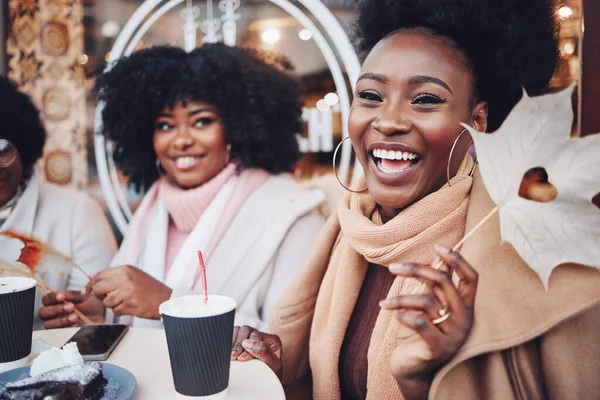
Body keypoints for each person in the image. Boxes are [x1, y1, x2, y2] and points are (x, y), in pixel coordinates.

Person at [231, 1, 600, 399]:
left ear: (477, 120)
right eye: (371, 95)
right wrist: (278, 370)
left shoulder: (538, 262)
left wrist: (422, 382)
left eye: (425, 99)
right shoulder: (351, 230)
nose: (388, 121)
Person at [42, 44, 325, 330]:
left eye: (201, 121)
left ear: (238, 127)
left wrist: (169, 302)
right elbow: (135, 319)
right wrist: (100, 315)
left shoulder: (291, 214)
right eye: (165, 125)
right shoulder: (155, 207)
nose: (180, 140)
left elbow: (288, 346)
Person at [0, 76, 117, 330]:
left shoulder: (78, 213)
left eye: (1, 150)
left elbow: (98, 321)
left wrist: (79, 321)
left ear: (23, 146)